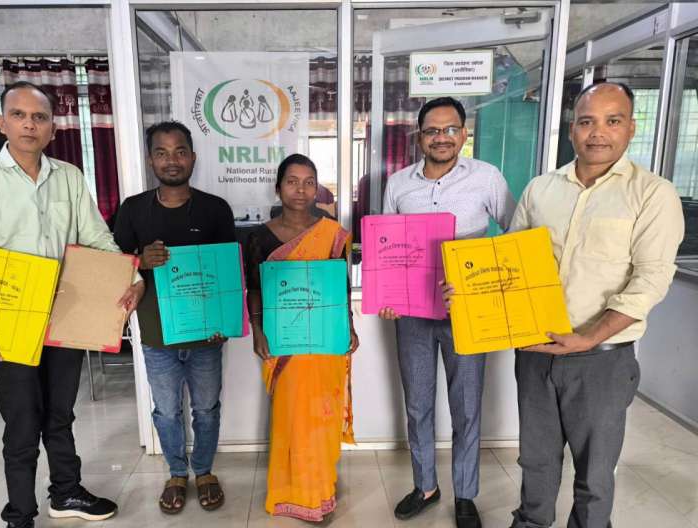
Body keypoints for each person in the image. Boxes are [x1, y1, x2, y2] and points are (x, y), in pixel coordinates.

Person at [0, 81, 144, 528]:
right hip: (7, 324)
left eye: (39, 117)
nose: (29, 125)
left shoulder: (69, 177)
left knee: (60, 414)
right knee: (22, 422)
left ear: (53, 128)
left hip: (64, 316)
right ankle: (20, 514)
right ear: (2, 124)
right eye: (19, 115)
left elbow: (96, 238)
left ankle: (66, 492)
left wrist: (132, 280)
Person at [506, 82, 684, 528]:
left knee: (595, 473)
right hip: (536, 352)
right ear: (572, 129)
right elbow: (510, 263)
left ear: (631, 128)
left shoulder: (652, 194)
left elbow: (650, 279)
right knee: (535, 460)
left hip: (601, 360)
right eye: (587, 121)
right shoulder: (541, 189)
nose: (598, 132)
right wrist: (470, 293)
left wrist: (589, 336)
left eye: (612, 120)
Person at [380, 97, 515, 528]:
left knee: (467, 407)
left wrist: (488, 283)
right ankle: (425, 486)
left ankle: (465, 495)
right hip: (413, 314)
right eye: (433, 130)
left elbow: (515, 237)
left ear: (464, 133)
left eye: (451, 129)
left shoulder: (487, 178)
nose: (442, 137)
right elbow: (387, 247)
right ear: (419, 137)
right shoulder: (398, 184)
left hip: (469, 313)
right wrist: (386, 295)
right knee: (418, 405)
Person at [113, 121, 236, 515]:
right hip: (157, 334)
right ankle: (177, 473)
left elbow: (227, 272)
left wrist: (226, 322)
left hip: (206, 335)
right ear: (151, 160)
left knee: (207, 408)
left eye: (180, 151)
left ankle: (204, 471)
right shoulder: (133, 209)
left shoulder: (216, 209)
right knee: (166, 410)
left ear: (193, 158)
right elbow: (113, 265)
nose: (172, 160)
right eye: (162, 152)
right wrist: (139, 261)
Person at [244, 153, 359, 522]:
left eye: (309, 182)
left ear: (317, 188)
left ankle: (320, 490)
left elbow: (340, 287)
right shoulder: (260, 237)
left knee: (321, 415)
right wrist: (257, 330)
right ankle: (292, 492)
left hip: (324, 341)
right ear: (278, 187)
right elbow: (254, 288)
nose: (301, 189)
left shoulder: (333, 234)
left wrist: (349, 326)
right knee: (291, 416)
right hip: (285, 343)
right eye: (292, 181)